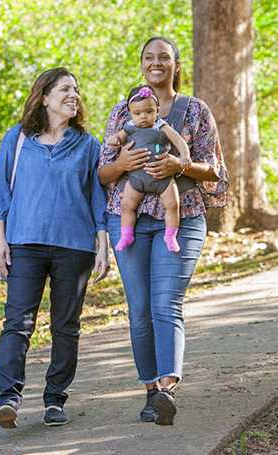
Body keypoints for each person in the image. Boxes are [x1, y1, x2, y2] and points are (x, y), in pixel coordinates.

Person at [99, 37, 229, 425]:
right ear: (141, 65)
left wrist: (179, 165)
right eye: (149, 57)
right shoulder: (122, 112)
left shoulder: (194, 111)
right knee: (139, 310)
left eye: (164, 58)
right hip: (130, 220)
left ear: (176, 65)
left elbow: (214, 169)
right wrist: (122, 162)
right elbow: (103, 174)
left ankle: (167, 388)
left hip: (181, 216)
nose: (156, 63)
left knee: (165, 303)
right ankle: (151, 390)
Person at [0, 67, 109, 429]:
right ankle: (8, 397)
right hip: (24, 243)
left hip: (75, 247)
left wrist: (103, 245)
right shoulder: (18, 139)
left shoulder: (88, 145)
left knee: (66, 326)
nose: (74, 95)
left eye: (77, 90)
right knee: (17, 322)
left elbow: (95, 198)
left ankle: (55, 399)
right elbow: (0, 192)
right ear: (44, 96)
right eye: (65, 89)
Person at [106, 84, 192, 253]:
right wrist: (114, 140)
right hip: (137, 179)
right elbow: (118, 138)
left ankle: (170, 236)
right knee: (127, 205)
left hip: (163, 179)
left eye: (149, 111)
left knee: (173, 204)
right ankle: (126, 234)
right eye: (137, 113)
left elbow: (178, 140)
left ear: (157, 110)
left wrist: (184, 156)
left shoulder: (162, 126)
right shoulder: (130, 127)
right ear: (131, 113)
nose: (143, 117)